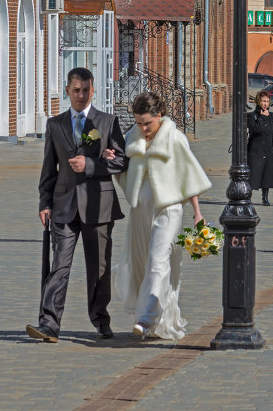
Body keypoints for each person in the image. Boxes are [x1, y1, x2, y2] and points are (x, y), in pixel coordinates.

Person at [26, 67, 128, 343]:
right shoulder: (55, 125)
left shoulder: (106, 122)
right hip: (63, 204)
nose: (81, 95)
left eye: (86, 90)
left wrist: (92, 164)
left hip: (99, 204)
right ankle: (48, 324)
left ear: (93, 90)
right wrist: (43, 203)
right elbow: (49, 168)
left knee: (99, 267)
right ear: (68, 91)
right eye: (76, 90)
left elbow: (121, 160)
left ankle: (100, 319)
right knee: (59, 265)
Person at [111, 91, 211, 339]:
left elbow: (189, 175)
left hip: (169, 210)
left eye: (148, 123)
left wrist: (197, 212)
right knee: (142, 263)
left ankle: (144, 320)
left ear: (160, 115)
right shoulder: (131, 138)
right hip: (140, 211)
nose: (143, 128)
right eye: (139, 123)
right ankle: (153, 319)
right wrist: (112, 162)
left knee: (158, 261)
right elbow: (124, 172)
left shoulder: (174, 139)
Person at [247, 90, 273, 206]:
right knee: (253, 174)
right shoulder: (251, 116)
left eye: (267, 101)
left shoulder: (272, 116)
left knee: (267, 174)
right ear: (258, 101)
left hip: (269, 150)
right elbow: (255, 129)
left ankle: (265, 197)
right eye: (263, 101)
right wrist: (261, 117)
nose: (265, 104)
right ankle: (248, 197)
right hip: (255, 150)